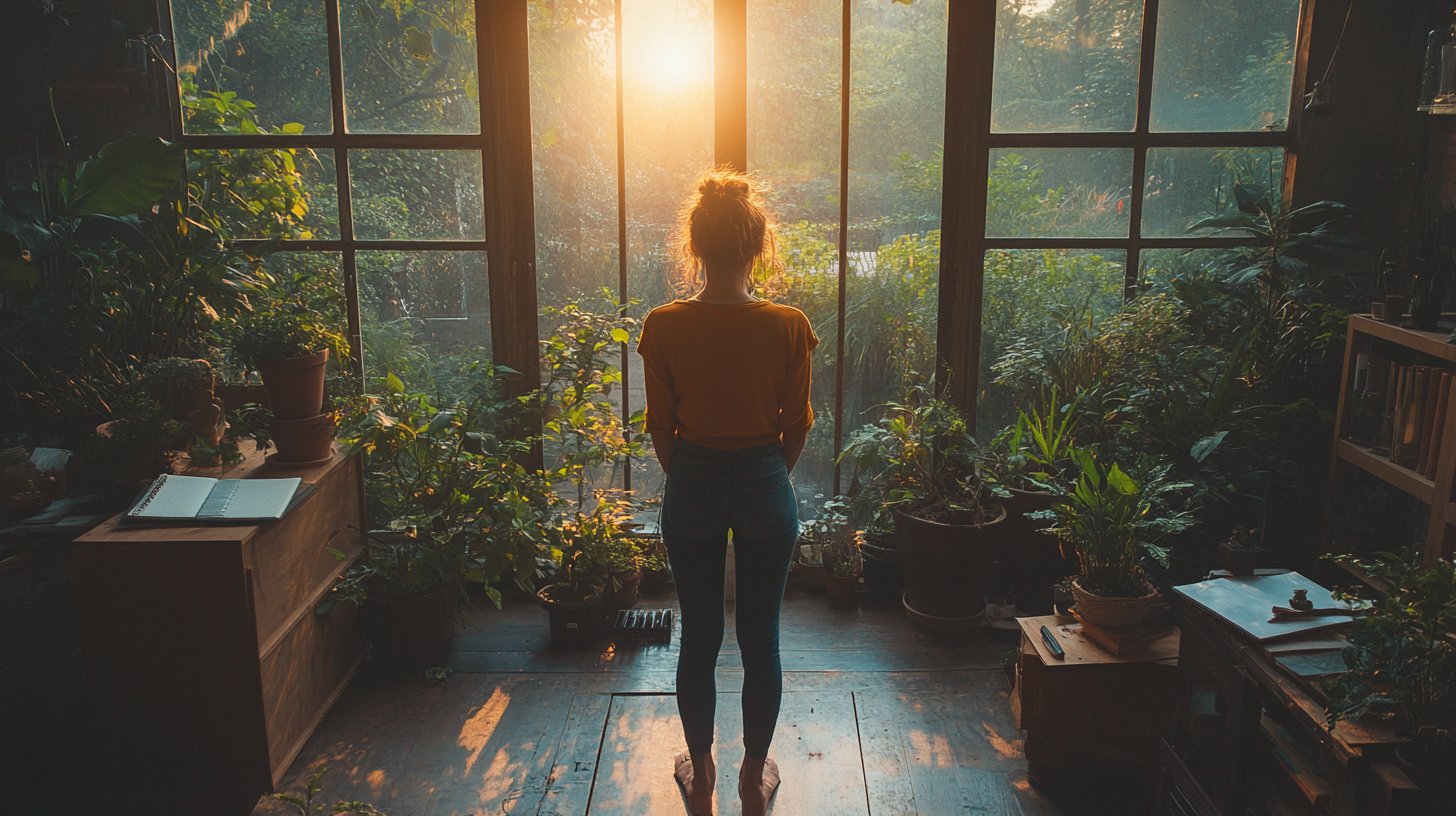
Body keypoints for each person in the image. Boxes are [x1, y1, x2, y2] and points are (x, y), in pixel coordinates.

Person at [637, 168, 817, 816]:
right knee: (760, 637)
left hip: (693, 480)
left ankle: (703, 772)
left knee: (700, 636)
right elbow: (794, 429)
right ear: (756, 244)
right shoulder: (790, 325)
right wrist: (764, 474)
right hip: (767, 479)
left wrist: (695, 471)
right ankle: (750, 779)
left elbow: (662, 430)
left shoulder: (663, 325)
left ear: (696, 246)